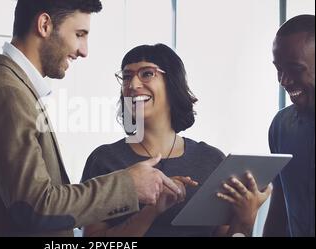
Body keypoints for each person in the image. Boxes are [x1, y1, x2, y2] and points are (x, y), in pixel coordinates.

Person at [0, 0, 181, 236]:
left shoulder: (8, 87)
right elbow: (36, 208)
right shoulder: (6, 92)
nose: (84, 50)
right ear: (44, 25)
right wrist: (128, 186)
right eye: (79, 34)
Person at [81, 44, 272, 237]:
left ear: (172, 82)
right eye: (127, 76)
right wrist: (151, 211)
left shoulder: (211, 160)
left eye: (147, 73)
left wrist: (247, 217)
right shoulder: (105, 160)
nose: (133, 85)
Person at [263, 15, 315, 237]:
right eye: (278, 68)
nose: (283, 80)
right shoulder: (281, 127)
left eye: (294, 69)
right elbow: (279, 208)